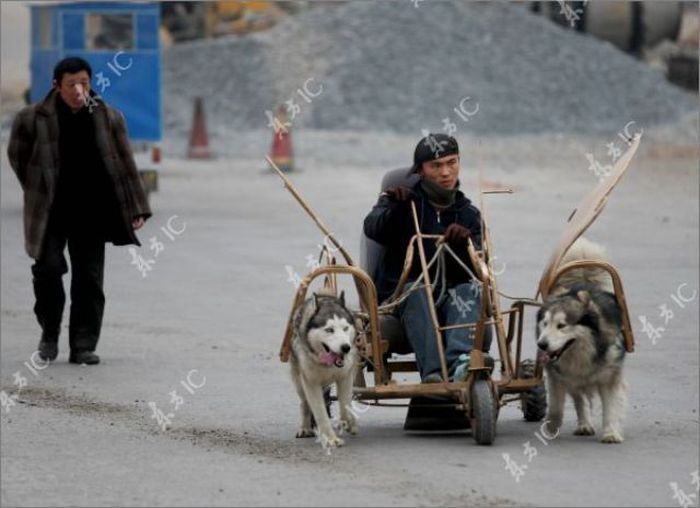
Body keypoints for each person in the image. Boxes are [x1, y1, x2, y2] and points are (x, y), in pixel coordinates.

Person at [7, 57, 151, 365]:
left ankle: (83, 344)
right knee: (47, 272)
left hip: (92, 211)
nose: (78, 90)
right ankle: (49, 332)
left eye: (84, 83)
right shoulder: (31, 118)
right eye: (71, 84)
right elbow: (18, 157)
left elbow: (125, 164)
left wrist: (137, 207)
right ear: (56, 85)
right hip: (51, 213)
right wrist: (37, 188)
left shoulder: (108, 117)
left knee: (89, 279)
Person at [363, 133, 491, 383]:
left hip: (450, 296)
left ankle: (461, 367)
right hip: (402, 296)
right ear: (420, 171)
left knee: (469, 290)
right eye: (436, 166)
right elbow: (372, 228)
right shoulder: (399, 199)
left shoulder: (469, 215)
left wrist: (463, 246)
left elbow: (478, 267)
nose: (445, 172)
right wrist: (395, 211)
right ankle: (434, 374)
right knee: (417, 289)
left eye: (451, 163)